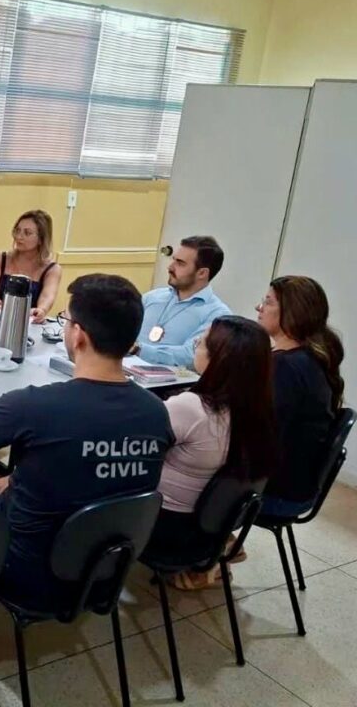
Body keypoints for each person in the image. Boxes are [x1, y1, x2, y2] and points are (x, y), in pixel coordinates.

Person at [0, 274, 173, 611]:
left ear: (78, 335)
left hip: (24, 573)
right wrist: (16, 480)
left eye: (66, 319)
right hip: (103, 574)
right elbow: (88, 468)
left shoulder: (40, 406)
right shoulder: (157, 413)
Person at [147, 317, 279, 589]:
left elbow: (135, 448)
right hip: (212, 527)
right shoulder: (259, 410)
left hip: (166, 530)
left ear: (219, 359)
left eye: (203, 341)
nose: (196, 342)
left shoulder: (191, 408)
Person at [256, 276, 346, 517]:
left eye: (268, 302)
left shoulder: (287, 367)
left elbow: (259, 436)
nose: (259, 307)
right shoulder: (311, 357)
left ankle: (213, 536)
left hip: (275, 493)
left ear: (292, 313)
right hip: (296, 487)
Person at [135, 235, 232, 367]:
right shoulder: (153, 297)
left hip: (171, 380)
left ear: (202, 273)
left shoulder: (217, 314)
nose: (170, 267)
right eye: (173, 260)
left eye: (180, 263)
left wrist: (138, 350)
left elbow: (190, 356)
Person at [0, 209, 62, 322]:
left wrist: (41, 311)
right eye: (17, 231)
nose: (19, 237)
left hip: (27, 324)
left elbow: (46, 298)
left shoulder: (52, 269)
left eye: (27, 233)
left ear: (41, 239)